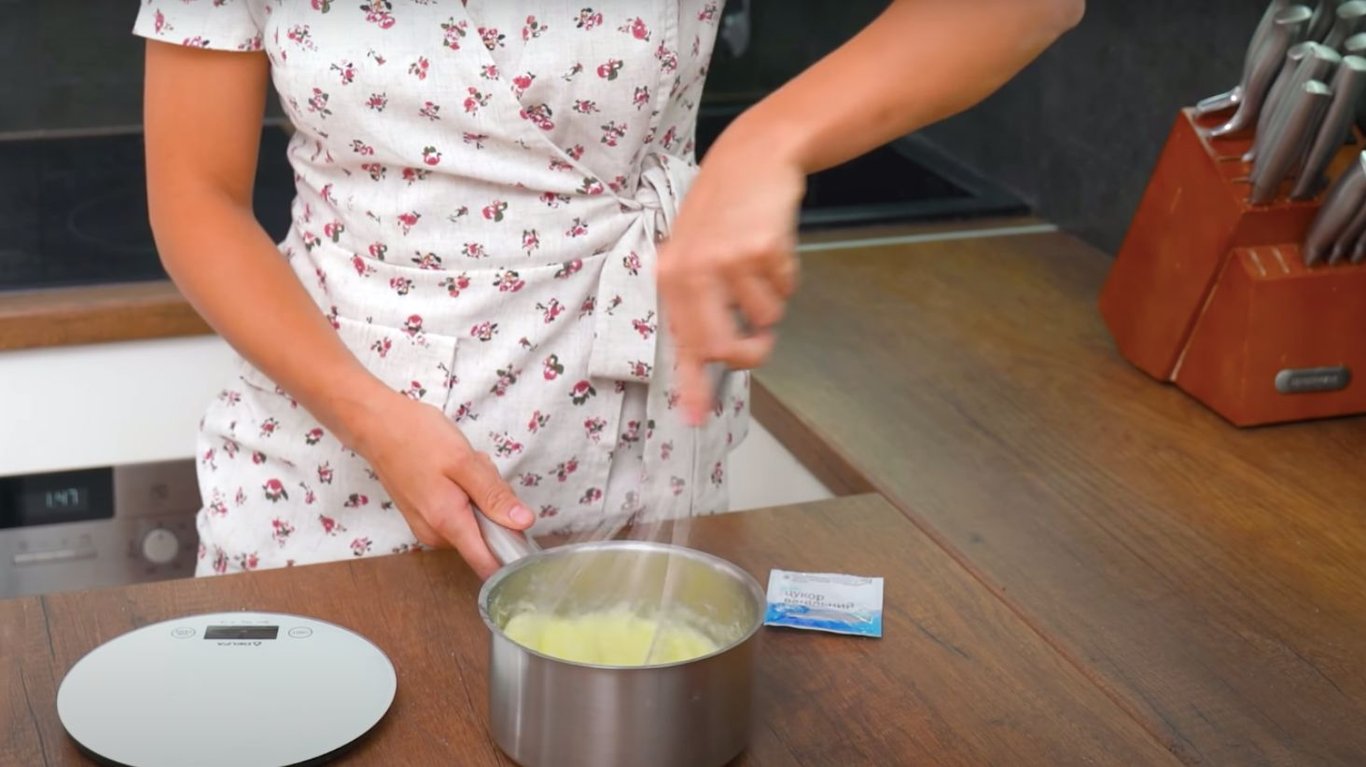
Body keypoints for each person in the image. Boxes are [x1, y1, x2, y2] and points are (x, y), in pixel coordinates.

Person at [136, 0, 1084, 579]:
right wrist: (373, 421)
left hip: (641, 469)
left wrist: (767, 142)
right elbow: (195, 196)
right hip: (329, 484)